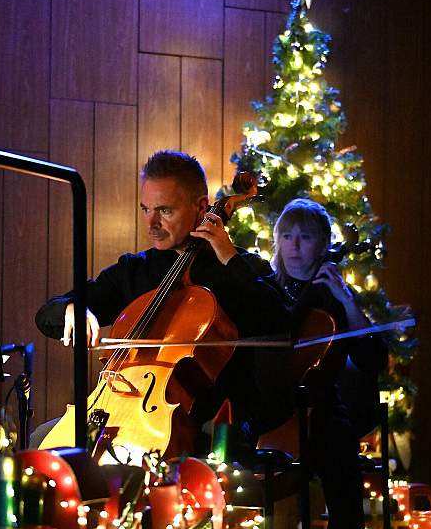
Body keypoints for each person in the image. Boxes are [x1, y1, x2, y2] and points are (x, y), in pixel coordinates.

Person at [33, 150, 289, 455]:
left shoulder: (239, 268)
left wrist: (229, 257)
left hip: (205, 423)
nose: (152, 222)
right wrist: (73, 308)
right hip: (117, 410)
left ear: (202, 207)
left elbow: (281, 320)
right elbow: (46, 315)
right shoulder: (135, 270)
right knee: (41, 441)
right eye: (146, 209)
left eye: (165, 211)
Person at [272, 198, 388, 529]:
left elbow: (372, 359)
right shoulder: (267, 290)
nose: (294, 246)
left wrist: (348, 302)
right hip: (271, 406)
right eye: (287, 236)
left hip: (320, 405)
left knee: (343, 466)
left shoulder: (333, 295)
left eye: (305, 237)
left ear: (323, 244)